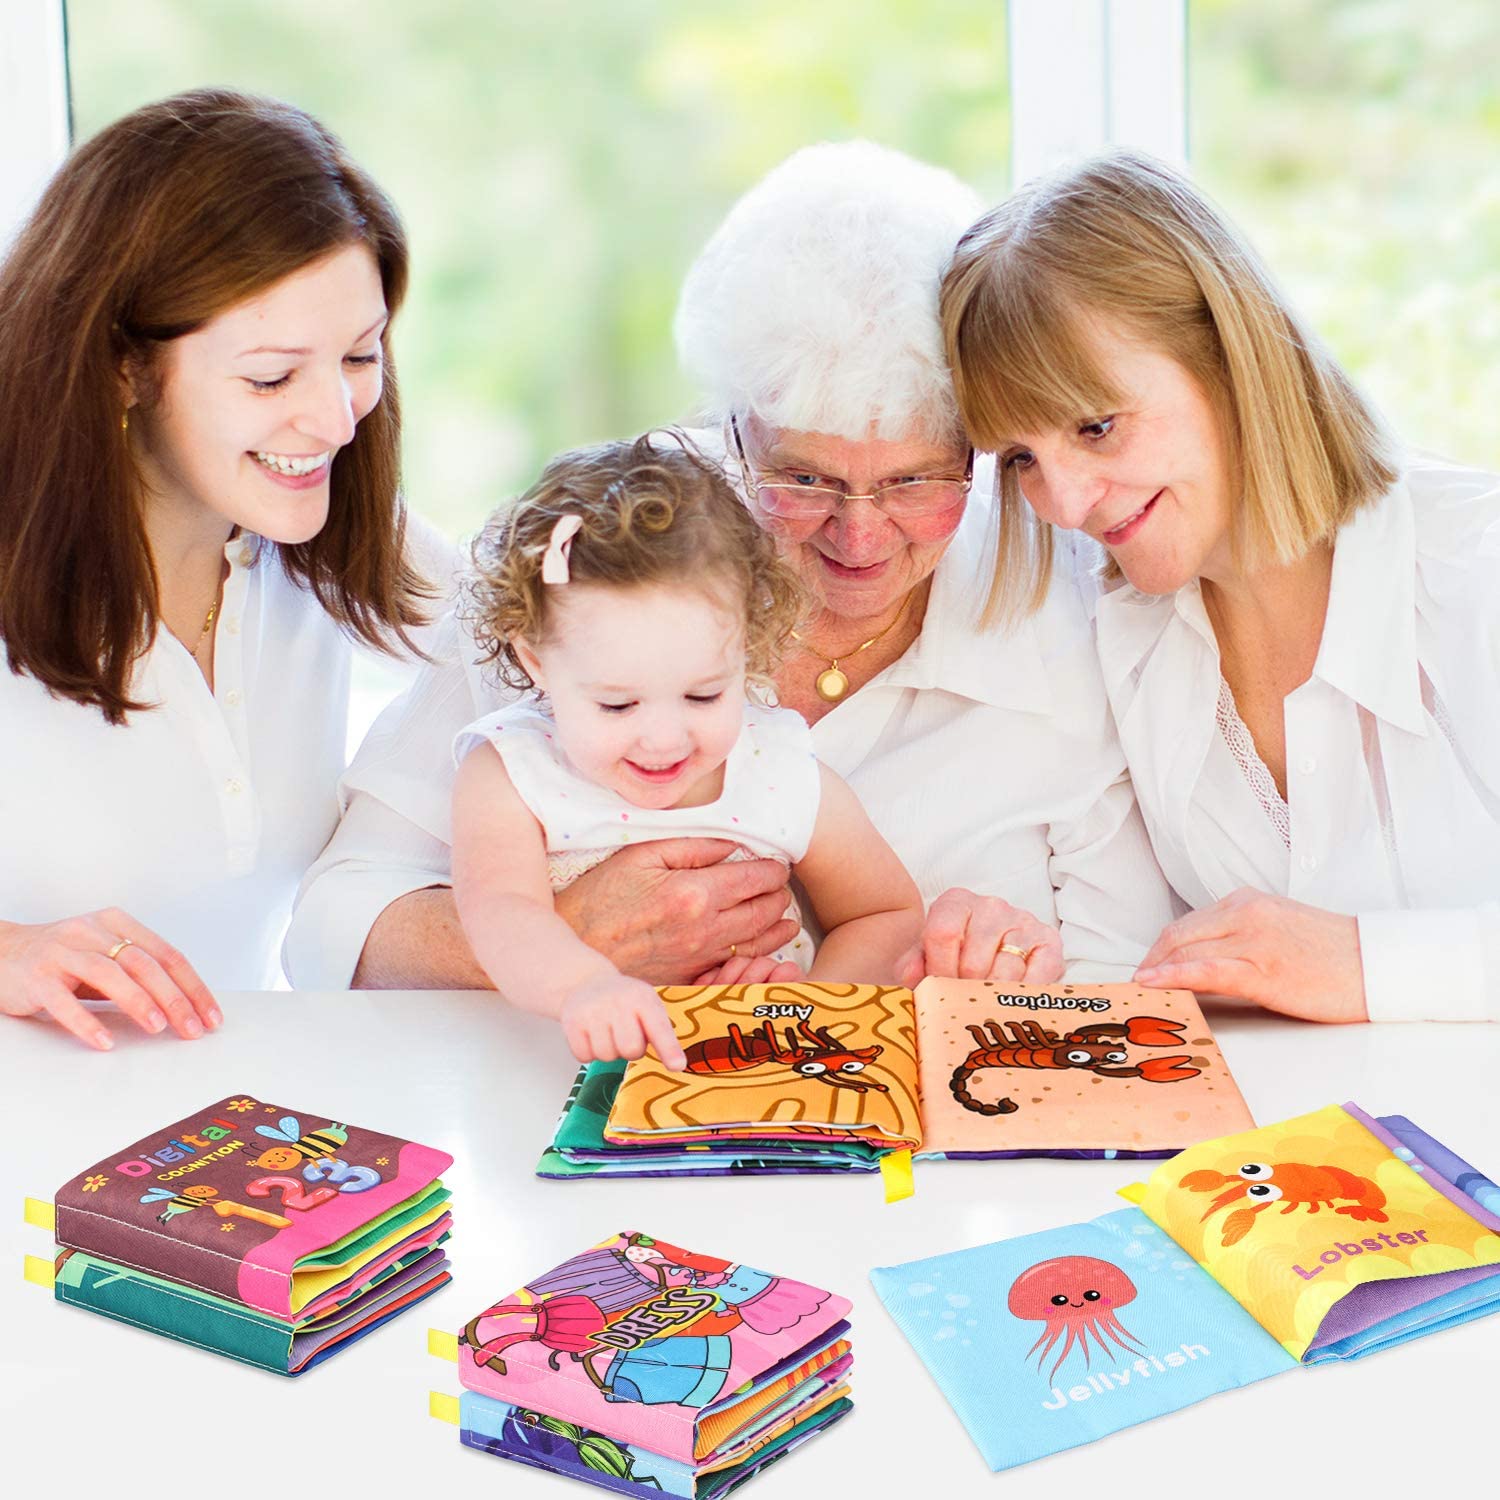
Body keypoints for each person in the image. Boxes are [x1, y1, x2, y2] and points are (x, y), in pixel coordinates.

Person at [286, 141, 1175, 992]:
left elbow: (1127, 966)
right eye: (804, 479)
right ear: (734, 433)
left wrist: (1013, 970)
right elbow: (330, 923)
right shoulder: (590, 561)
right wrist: (563, 937)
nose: (859, 535)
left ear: (979, 453)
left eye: (914, 480)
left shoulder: (1065, 601)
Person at [941, 149, 1500, 1024]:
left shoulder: (1477, 567)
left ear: (1231, 354)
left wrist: (1362, 964)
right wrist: (1021, 955)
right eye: (1021, 459)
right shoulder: (1112, 629)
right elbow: (1131, 965)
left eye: (1097, 426)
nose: (1065, 505)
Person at [0, 89, 435, 1048]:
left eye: (360, 356)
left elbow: (559, 619)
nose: (335, 421)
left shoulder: (326, 530)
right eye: (271, 376)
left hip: (219, 1117)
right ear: (121, 365)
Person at [451, 433, 925, 1065]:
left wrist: (804, 1007)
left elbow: (886, 913)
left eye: (703, 695)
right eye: (617, 705)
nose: (665, 739)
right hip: (554, 1072)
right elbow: (500, 913)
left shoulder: (775, 768)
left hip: (757, 1075)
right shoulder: (512, 771)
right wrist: (584, 986)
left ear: (747, 647)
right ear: (536, 660)